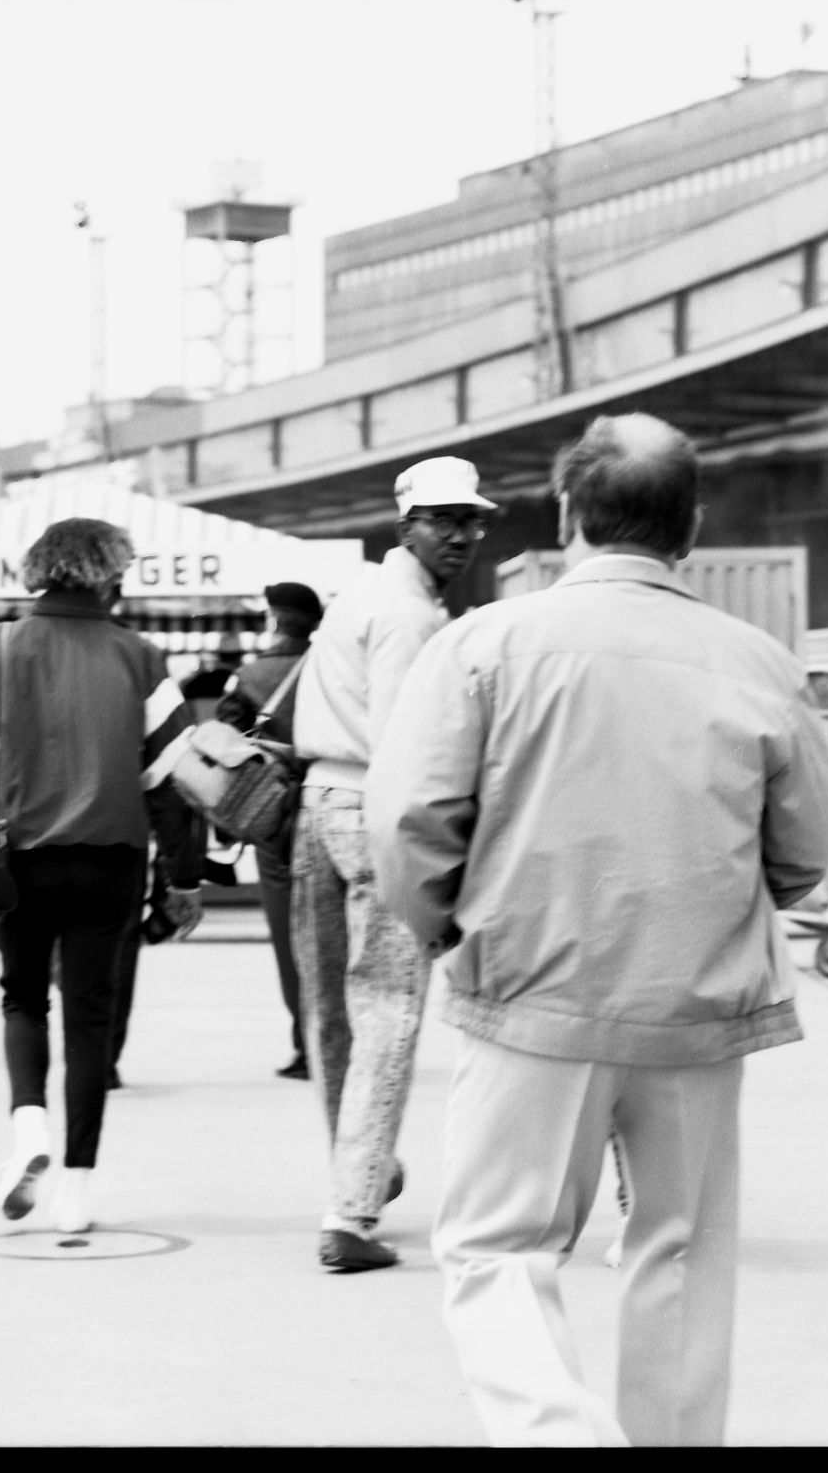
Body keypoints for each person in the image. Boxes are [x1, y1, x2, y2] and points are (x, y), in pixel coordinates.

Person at [366, 414, 828, 1446]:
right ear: (693, 525)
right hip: (699, 1005)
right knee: (678, 1248)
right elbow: (804, 852)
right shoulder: (757, 662)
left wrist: (456, 933)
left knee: (497, 1248)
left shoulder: (480, 645)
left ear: (569, 511)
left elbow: (408, 824)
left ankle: (556, 1438)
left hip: (528, 993)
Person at [0, 517, 206, 1235]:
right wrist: (186, 876)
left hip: (20, 861)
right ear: (106, 577)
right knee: (91, 1018)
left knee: (21, 1000)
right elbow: (172, 778)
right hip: (111, 862)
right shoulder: (140, 656)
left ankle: (29, 1133)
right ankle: (75, 1187)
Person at [291, 454, 495, 1273]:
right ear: (404, 522)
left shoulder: (360, 597)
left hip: (317, 806)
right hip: (374, 811)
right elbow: (409, 750)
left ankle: (360, 1168)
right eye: (444, 520)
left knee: (333, 1014)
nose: (462, 535)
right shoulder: (412, 618)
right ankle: (351, 1213)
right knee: (386, 1012)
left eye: (471, 520)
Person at [216, 580, 325, 1081]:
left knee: (288, 938)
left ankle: (307, 1046)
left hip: (273, 821)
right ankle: (335, 1037)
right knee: (333, 933)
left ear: (273, 619)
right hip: (332, 810)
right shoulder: (334, 669)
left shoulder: (249, 677)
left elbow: (223, 747)